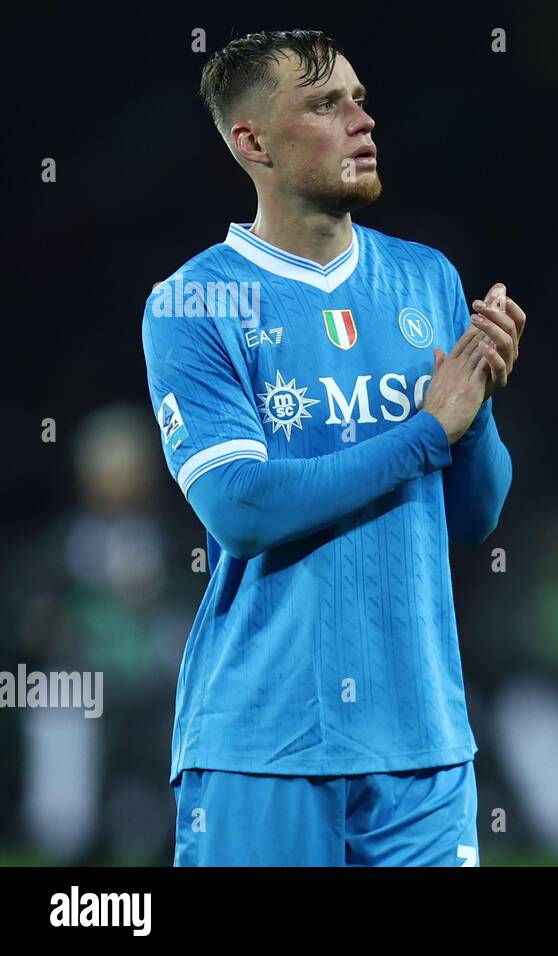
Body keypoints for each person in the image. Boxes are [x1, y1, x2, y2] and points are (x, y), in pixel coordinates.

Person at [140, 29, 525, 866]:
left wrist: (479, 405)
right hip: (266, 744)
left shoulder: (425, 278)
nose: (363, 119)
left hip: (422, 742)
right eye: (325, 104)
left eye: (357, 97)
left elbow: (475, 516)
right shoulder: (194, 302)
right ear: (252, 143)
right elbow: (240, 506)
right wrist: (427, 431)